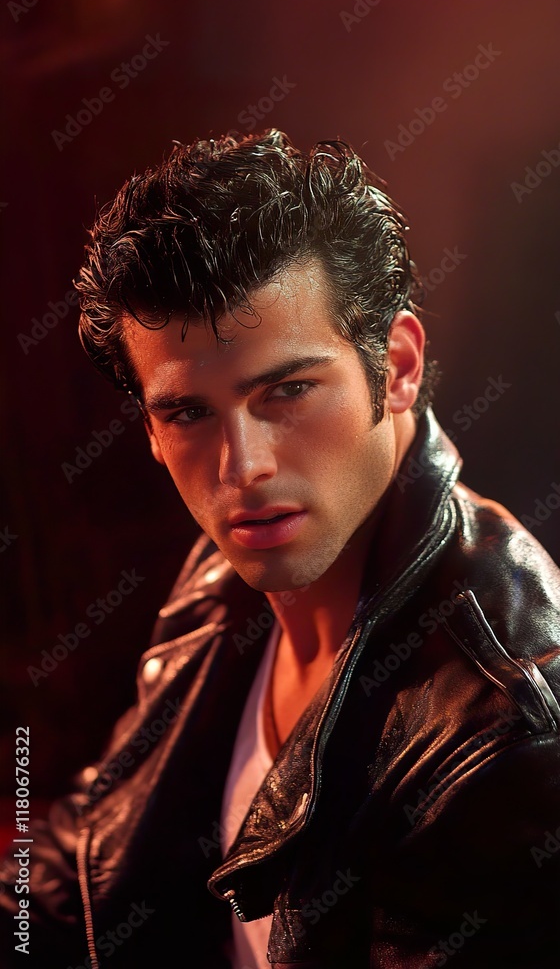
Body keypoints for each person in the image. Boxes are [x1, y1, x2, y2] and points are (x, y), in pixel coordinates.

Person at [1, 127, 560, 969]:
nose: (243, 468)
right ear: (150, 427)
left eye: (288, 390)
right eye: (189, 413)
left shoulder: (507, 727)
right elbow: (88, 856)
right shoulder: (225, 576)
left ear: (398, 365)